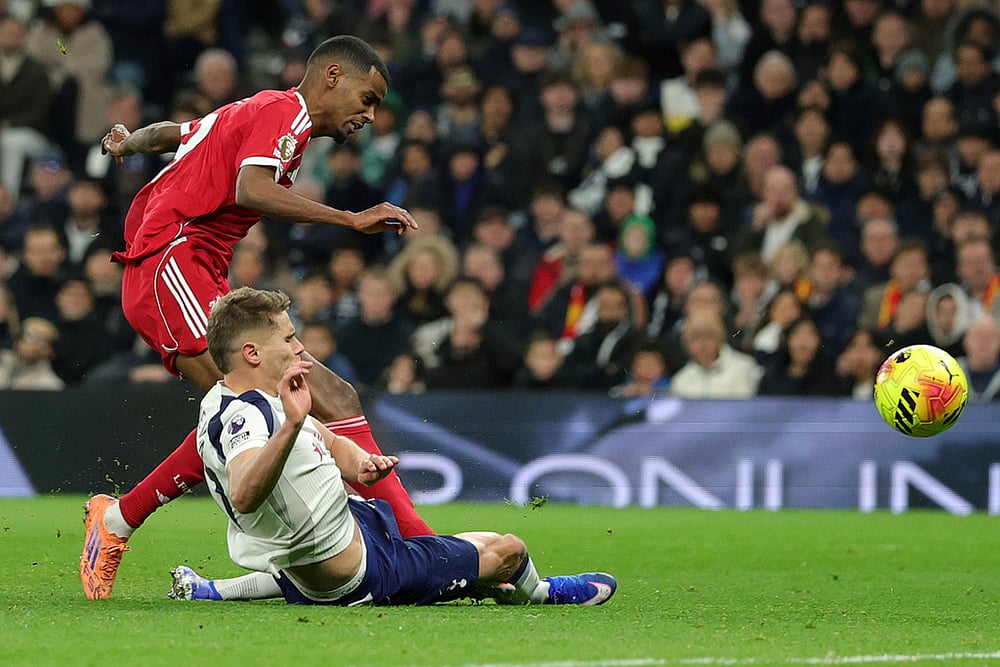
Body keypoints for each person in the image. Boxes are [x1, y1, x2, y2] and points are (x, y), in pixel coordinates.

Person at [81, 35, 429, 601]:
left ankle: (420, 546)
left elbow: (178, 133)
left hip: (204, 275)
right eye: (367, 98)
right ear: (333, 76)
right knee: (245, 407)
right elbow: (252, 189)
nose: (369, 114)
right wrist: (350, 220)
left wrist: (130, 142)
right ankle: (118, 521)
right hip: (172, 264)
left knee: (334, 398)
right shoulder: (281, 113)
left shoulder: (259, 110)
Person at [167, 286, 617, 607]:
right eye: (287, 338)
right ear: (251, 353)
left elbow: (329, 439)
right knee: (507, 550)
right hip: (365, 573)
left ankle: (217, 589)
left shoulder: (226, 400)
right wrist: (293, 426)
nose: (299, 346)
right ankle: (541, 594)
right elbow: (245, 494)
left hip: (335, 538)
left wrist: (361, 463)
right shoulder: (252, 416)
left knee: (462, 544)